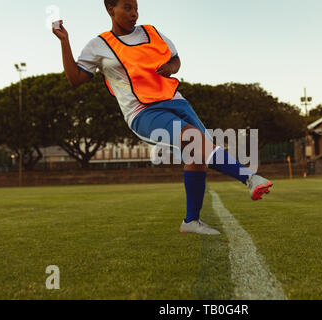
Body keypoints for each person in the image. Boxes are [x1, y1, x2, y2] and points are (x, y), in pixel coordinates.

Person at [52, 0, 273, 235]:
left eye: (136, 7)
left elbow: (176, 58)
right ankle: (250, 179)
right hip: (143, 111)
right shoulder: (99, 45)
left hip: (177, 101)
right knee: (194, 140)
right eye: (127, 8)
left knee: (198, 153)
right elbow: (75, 78)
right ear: (110, 10)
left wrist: (170, 67)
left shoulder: (152, 32)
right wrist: (65, 41)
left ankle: (191, 222)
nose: (134, 13)